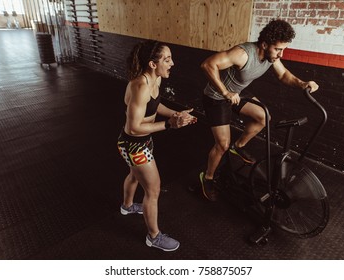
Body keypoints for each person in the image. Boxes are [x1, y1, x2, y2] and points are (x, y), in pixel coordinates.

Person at [199, 19, 319, 201]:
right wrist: (225, 92)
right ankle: (207, 177)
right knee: (221, 145)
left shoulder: (271, 57)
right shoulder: (243, 54)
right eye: (278, 49)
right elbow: (208, 64)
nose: (281, 54)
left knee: (264, 117)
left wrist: (303, 84)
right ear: (264, 44)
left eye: (283, 49)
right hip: (216, 97)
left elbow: (284, 75)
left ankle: (238, 147)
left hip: (237, 94)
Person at [117, 39, 197, 251]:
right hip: (134, 144)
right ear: (153, 64)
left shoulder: (156, 81)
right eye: (167, 59)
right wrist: (170, 125)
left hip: (141, 141)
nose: (172, 63)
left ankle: (127, 206)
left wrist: (175, 114)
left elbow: (155, 104)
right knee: (153, 190)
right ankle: (154, 237)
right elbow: (133, 128)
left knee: (135, 175)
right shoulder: (140, 86)